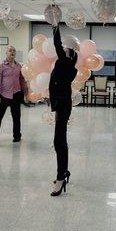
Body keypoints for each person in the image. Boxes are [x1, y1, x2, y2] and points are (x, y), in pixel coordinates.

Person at [49, 25, 78, 196]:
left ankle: (61, 177)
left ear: (70, 55)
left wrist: (55, 26)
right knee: (60, 141)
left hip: (63, 105)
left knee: (59, 141)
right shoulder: (66, 64)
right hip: (62, 105)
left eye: (67, 49)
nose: (64, 48)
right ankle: (64, 172)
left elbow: (56, 43)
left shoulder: (66, 64)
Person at [0, 46, 27, 147]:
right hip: (4, 95)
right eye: (10, 51)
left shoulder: (19, 66)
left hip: (17, 94)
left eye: (14, 51)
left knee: (16, 117)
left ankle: (17, 135)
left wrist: (25, 91)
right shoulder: (0, 66)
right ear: (6, 53)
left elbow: (22, 80)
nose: (12, 52)